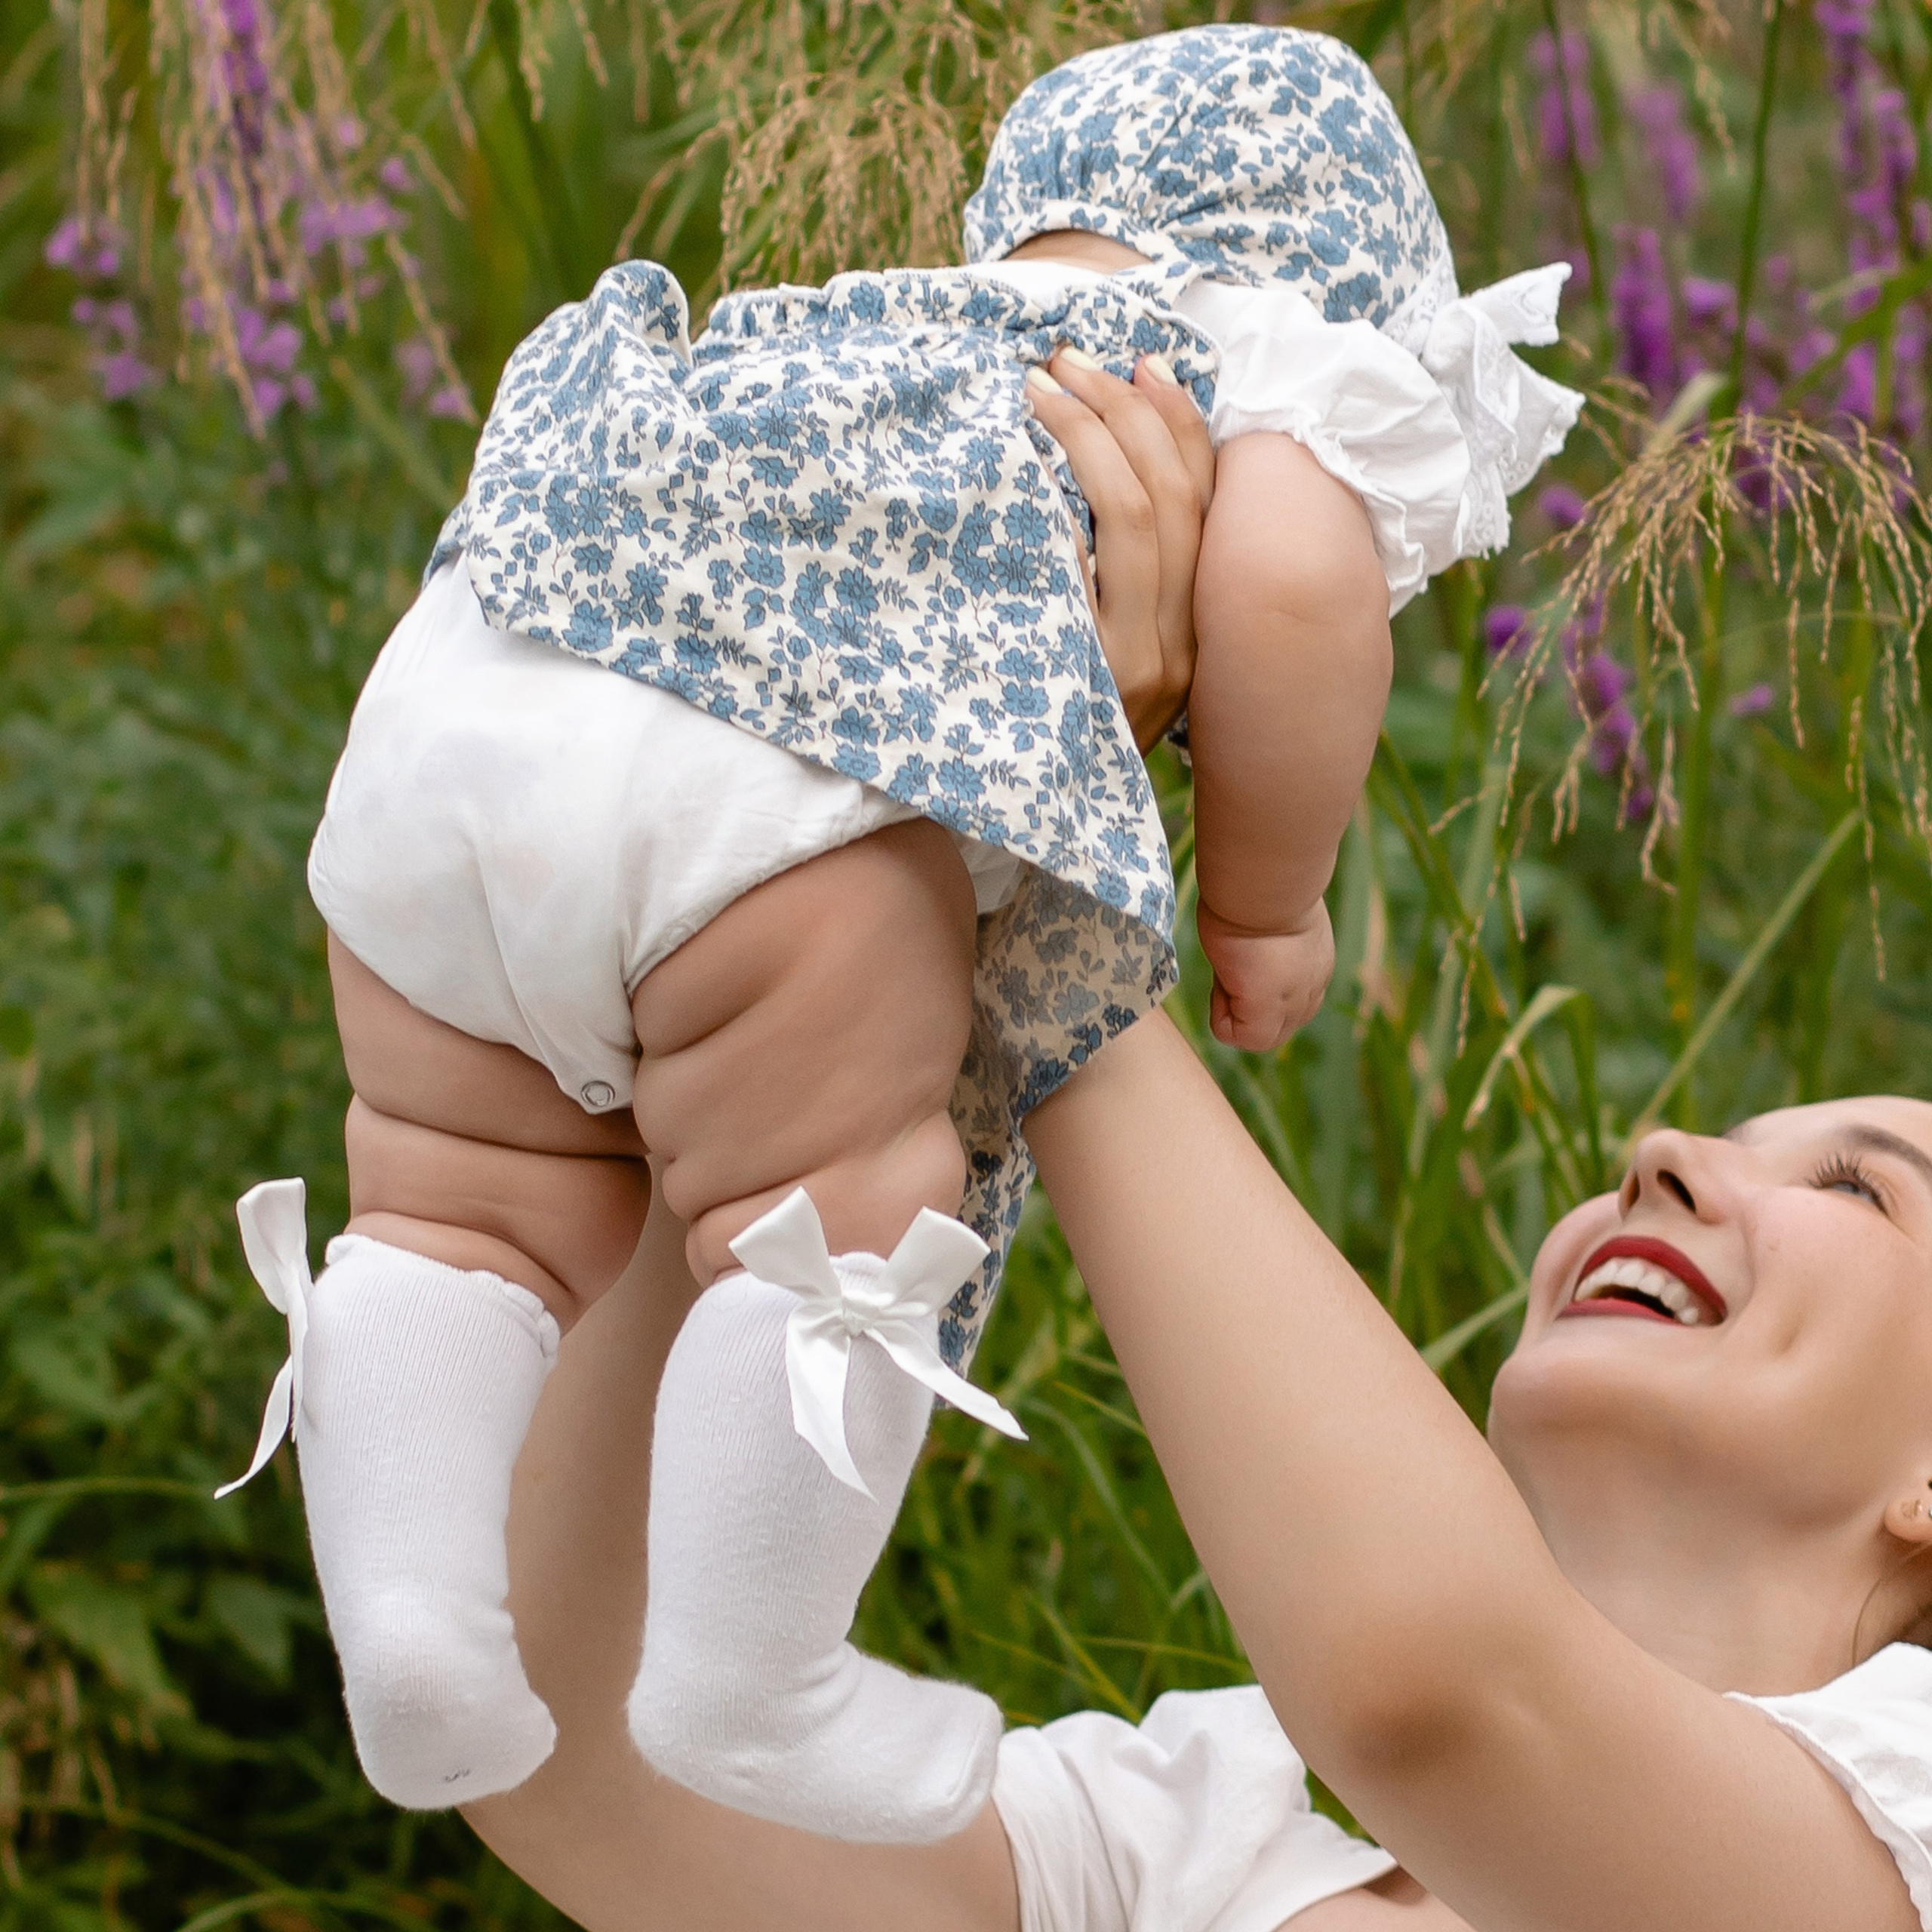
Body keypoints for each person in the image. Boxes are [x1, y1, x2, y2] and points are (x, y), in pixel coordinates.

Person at [220, 22, 1580, 1841]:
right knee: (832, 1215)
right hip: (755, 793)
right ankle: (749, 1673)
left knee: (453, 1197)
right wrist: (1268, 896)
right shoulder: (1235, 362)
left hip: (459, 700)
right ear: (1354, 270)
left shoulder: (872, 322)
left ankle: (409, 1620)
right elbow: (1290, 584)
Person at [451, 1019, 1932, 1932]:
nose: (1656, 1151)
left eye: (1853, 1184)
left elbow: (1439, 1689)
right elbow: (571, 1750)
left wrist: (1060, 963)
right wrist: (761, 1049)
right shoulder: (1207, 1821)